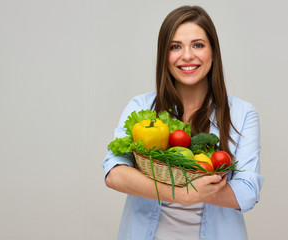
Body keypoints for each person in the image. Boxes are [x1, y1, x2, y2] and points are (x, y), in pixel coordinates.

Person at [103, 5, 263, 240]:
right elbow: (114, 173)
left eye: (198, 45)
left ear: (213, 52)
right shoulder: (141, 107)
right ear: (164, 55)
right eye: (175, 47)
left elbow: (247, 192)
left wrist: (189, 190)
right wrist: (182, 194)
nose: (187, 56)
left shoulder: (242, 113)